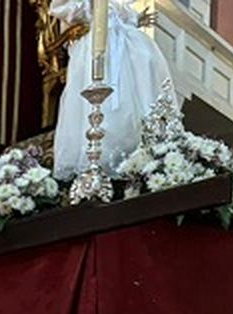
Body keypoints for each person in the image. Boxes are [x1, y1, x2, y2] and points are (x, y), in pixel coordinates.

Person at [49, 0, 173, 180]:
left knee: (145, 65)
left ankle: (142, 148)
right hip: (97, 47)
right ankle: (98, 159)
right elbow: (61, 8)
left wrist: (135, 18)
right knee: (102, 102)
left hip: (126, 45)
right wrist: (91, 6)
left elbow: (120, 12)